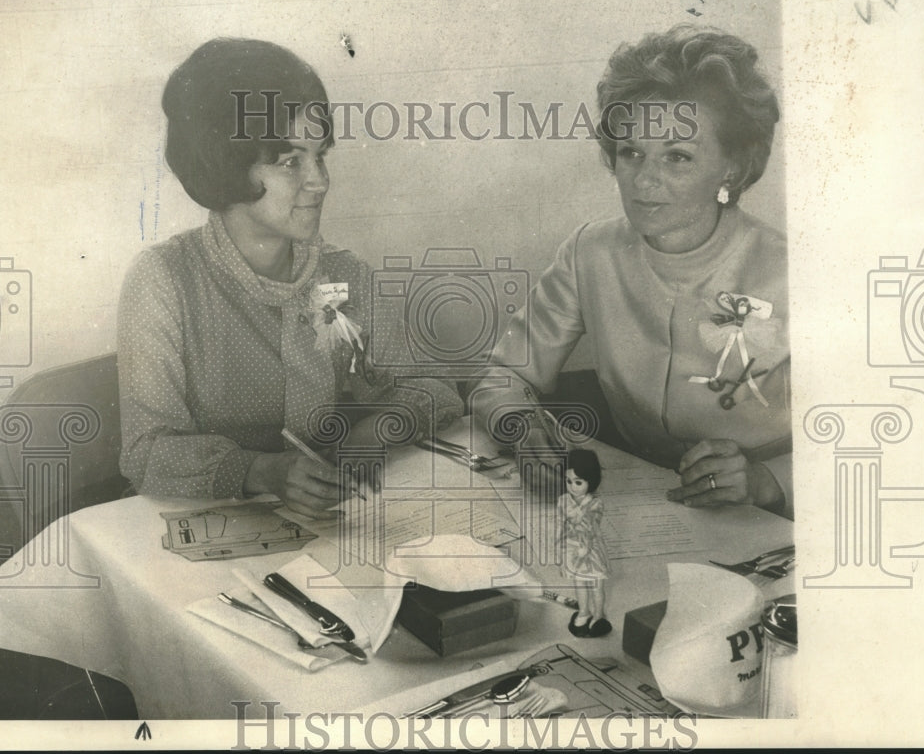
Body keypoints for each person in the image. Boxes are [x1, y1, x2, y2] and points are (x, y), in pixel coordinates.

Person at [118, 38, 462, 518]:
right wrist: (261, 471)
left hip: (327, 524)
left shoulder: (344, 274)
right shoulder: (163, 281)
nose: (319, 180)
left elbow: (433, 390)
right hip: (206, 528)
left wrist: (379, 428)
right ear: (227, 163)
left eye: (320, 156)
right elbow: (146, 451)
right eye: (290, 161)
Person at [472, 25, 792, 518]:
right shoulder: (590, 252)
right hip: (644, 500)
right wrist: (520, 422)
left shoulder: (795, 272)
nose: (644, 180)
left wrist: (767, 480)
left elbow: (873, 431)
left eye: (678, 157)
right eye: (631, 152)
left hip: (771, 514)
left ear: (733, 166)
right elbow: (504, 374)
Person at [557, 449, 611, 638]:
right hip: (573, 549)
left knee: (596, 585)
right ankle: (583, 612)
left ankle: (598, 615)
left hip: (591, 550)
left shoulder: (595, 504)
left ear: (591, 481)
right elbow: (563, 523)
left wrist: (585, 546)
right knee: (579, 583)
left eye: (578, 482)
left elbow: (590, 526)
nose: (572, 486)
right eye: (569, 481)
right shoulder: (563, 501)